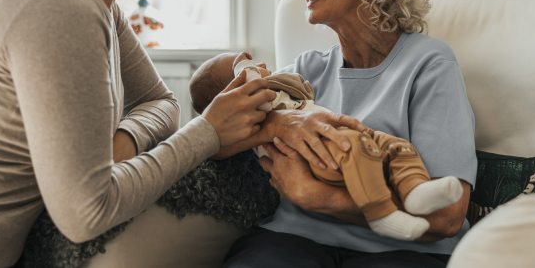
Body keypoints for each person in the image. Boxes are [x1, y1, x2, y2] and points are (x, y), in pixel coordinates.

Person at [0, 0, 363, 266]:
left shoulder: (99, 4)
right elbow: (85, 214)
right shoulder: (60, 5)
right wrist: (207, 133)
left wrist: (122, 144)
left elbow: (162, 102)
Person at [221, 0, 478, 267]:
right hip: (293, 239)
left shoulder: (429, 64)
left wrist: (318, 198)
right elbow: (224, 129)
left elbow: (448, 215)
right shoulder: (305, 71)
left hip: (402, 251)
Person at [190, 52, 465, 242]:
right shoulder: (288, 79)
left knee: (396, 147)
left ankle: (414, 190)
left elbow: (446, 220)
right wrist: (243, 69)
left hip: (390, 244)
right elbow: (211, 140)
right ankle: (381, 211)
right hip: (319, 175)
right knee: (356, 148)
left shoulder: (432, 64)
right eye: (242, 67)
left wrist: (320, 197)